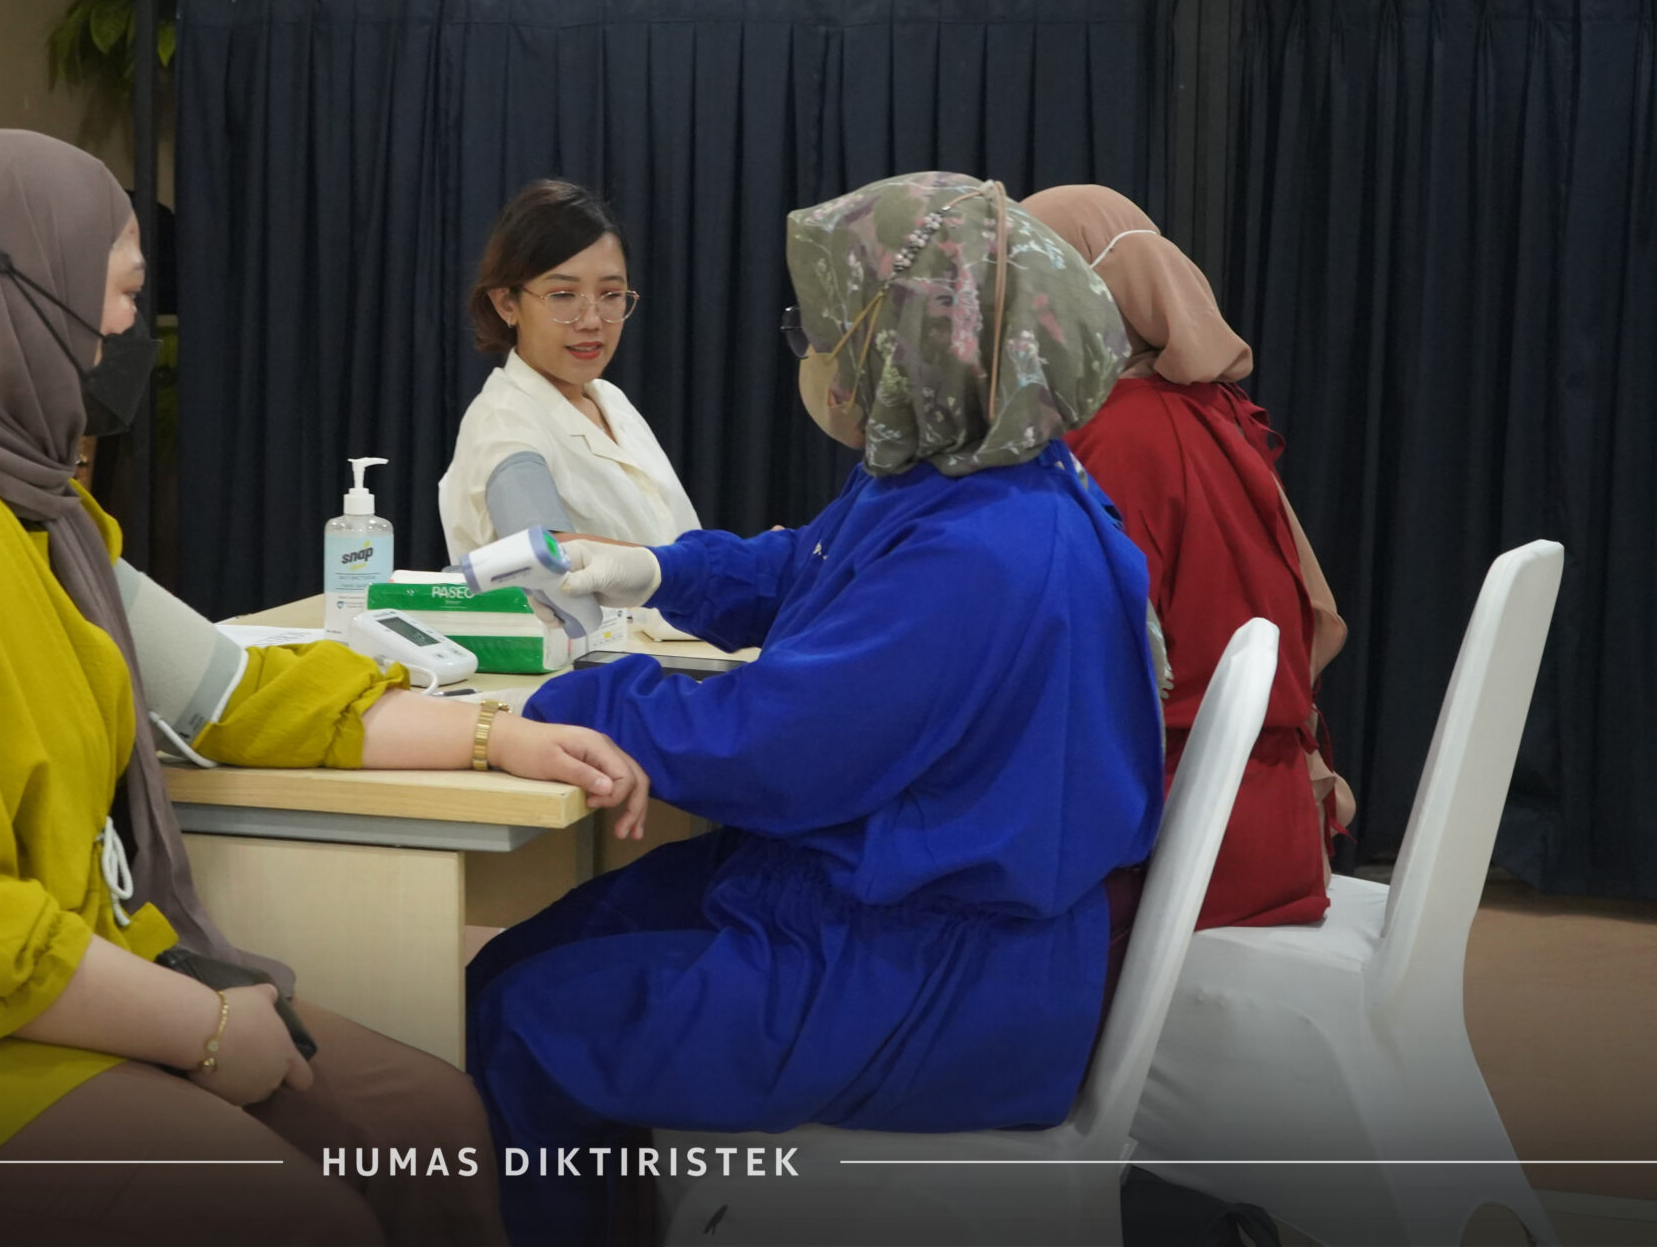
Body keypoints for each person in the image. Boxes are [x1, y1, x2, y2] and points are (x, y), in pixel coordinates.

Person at [0, 130, 648, 1247]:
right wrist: (201, 1027)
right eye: (118, 293)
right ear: (19, 296)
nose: (127, 331)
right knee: (292, 1215)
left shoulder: (32, 509)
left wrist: (496, 734)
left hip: (3, 980)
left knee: (430, 1126)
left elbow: (231, 692)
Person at [463, 173, 1168, 1247]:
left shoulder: (977, 552)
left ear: (903, 342)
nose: (814, 354)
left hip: (923, 980)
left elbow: (770, 747)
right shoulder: (978, 473)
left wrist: (567, 699)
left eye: (825, 330)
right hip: (889, 903)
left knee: (525, 1021)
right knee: (513, 963)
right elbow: (811, 564)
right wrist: (661, 570)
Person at [1021, 184, 1354, 930]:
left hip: (1183, 845)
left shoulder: (1115, 437)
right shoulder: (1208, 406)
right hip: (1257, 819)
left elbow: (1074, 671)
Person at [437, 181, 697, 574]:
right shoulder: (504, 423)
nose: (592, 320)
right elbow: (545, 555)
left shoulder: (610, 401)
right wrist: (705, 567)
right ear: (507, 303)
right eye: (562, 295)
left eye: (611, 295)